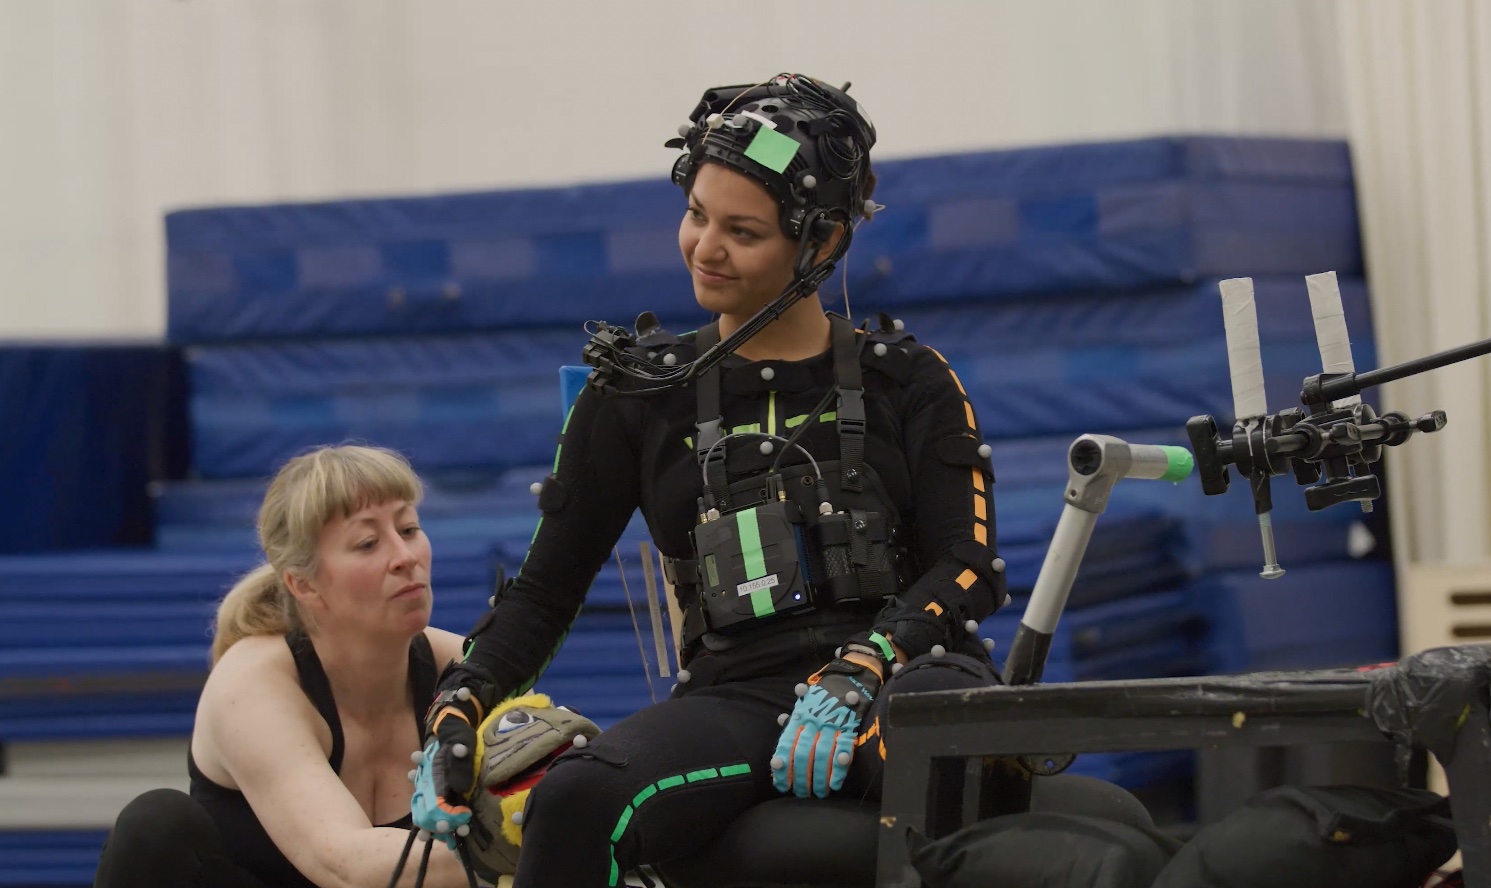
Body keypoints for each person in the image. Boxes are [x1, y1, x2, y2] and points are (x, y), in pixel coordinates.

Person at [410, 73, 1007, 888]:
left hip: (905, 677)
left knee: (932, 741)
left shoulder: (911, 379)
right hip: (740, 697)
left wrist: (868, 660)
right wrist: (460, 702)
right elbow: (544, 595)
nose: (704, 247)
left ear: (821, 243)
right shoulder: (633, 391)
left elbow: (967, 564)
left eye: (742, 230)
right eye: (695, 215)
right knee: (581, 798)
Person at [95, 445, 473, 888]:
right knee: (154, 826)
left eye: (409, 529)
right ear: (303, 584)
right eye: (367, 543)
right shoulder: (252, 682)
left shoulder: (464, 667)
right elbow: (346, 866)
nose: (405, 556)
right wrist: (527, 844)